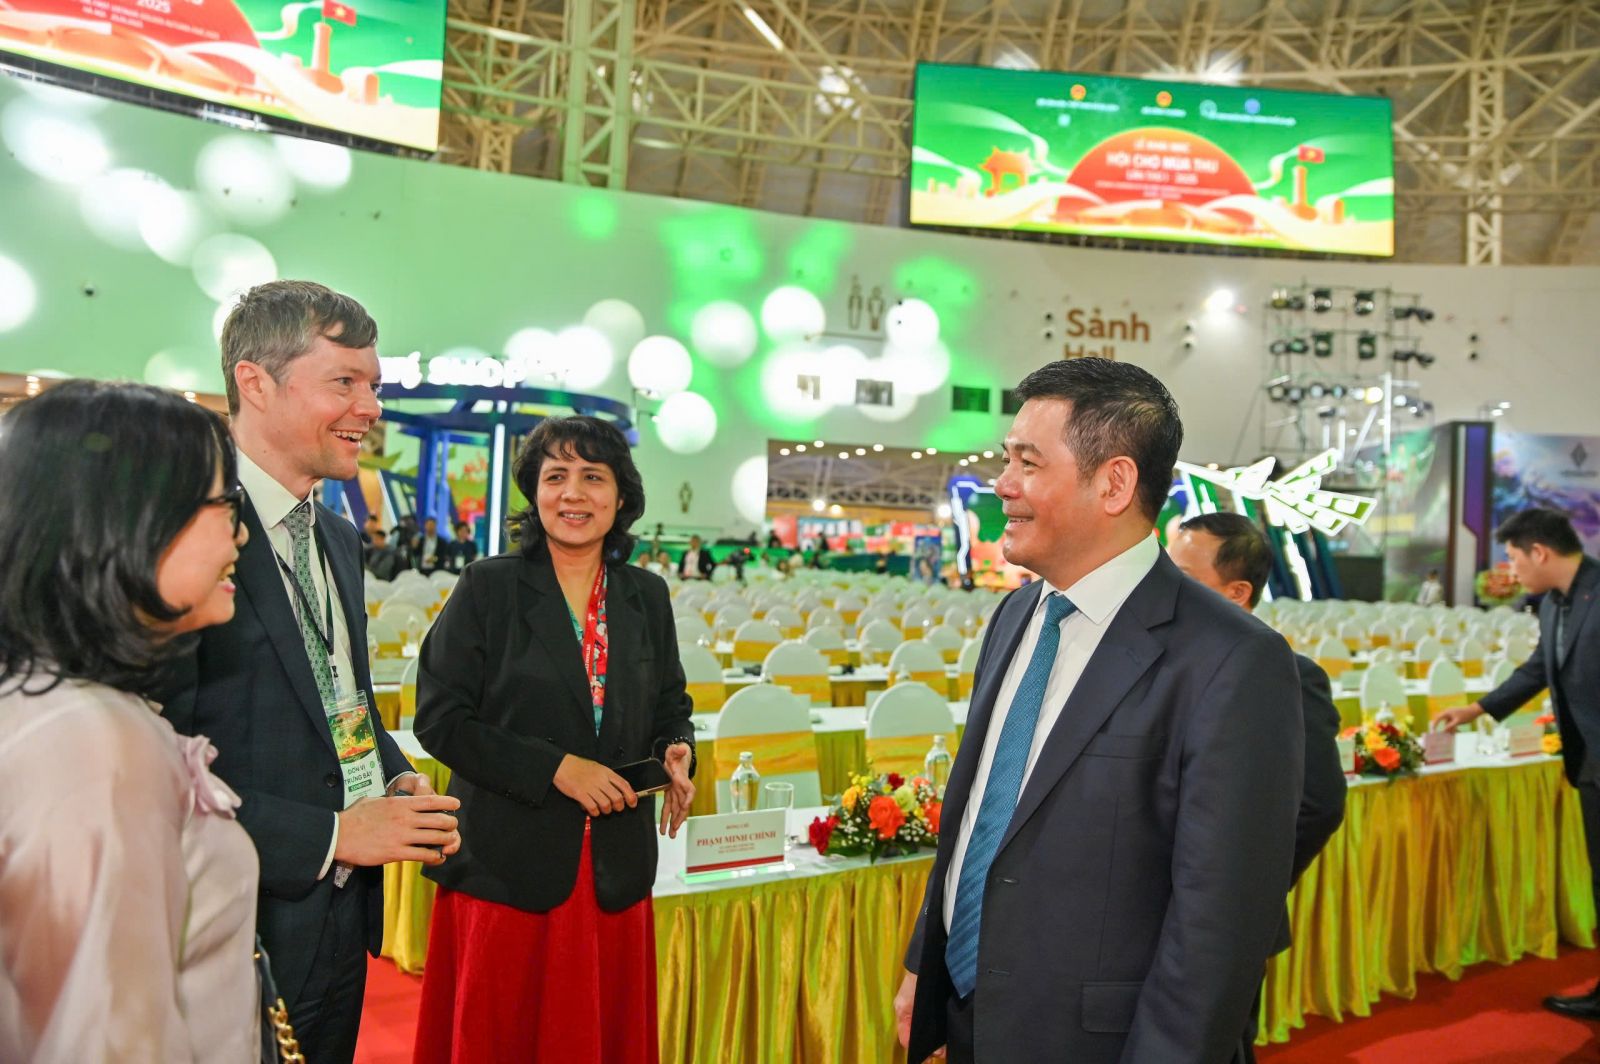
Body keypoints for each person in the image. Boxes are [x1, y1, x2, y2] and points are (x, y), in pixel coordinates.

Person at [894, 358, 1304, 1063]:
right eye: (1006, 459)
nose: (1003, 484)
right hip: (971, 1016)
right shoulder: (1016, 615)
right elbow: (981, 815)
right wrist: (923, 963)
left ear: (1114, 483)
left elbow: (1220, 924)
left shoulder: (1233, 660)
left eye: (1028, 463)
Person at [159, 280, 462, 1064]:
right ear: (255, 382)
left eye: (374, 385)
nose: (370, 408)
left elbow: (338, 695)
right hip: (226, 927)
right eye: (344, 382)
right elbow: (154, 769)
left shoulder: (335, 534)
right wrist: (333, 835)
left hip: (339, 924)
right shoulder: (177, 531)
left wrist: (390, 774)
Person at [412, 415, 697, 1063]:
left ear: (621, 496)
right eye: (556, 476)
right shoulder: (489, 586)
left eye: (593, 477)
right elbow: (440, 718)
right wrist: (555, 768)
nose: (573, 493)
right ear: (534, 492)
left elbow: (670, 705)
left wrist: (676, 749)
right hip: (509, 866)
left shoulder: (646, 595)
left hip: (615, 869)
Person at [0, 381, 259, 1061]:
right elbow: (109, 1035)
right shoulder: (94, 741)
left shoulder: (46, 699)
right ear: (132, 516)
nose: (240, 533)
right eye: (225, 504)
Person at [1166, 511, 1348, 1060]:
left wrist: (1242, 883)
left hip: (1224, 922)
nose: (1163, 587)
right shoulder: (1155, 659)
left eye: (1182, 576)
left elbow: (1319, 804)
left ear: (1237, 592)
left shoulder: (1287, 672)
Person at [1434, 508, 1600, 1019]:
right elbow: (1537, 671)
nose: (1510, 570)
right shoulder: (1552, 603)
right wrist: (1477, 709)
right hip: (1590, 765)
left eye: (1513, 558)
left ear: (1540, 552)